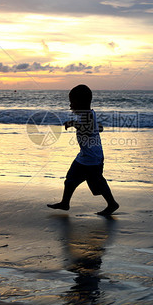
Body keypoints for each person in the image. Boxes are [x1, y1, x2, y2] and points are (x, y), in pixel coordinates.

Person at [47, 84, 119, 216]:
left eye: (72, 102)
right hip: (85, 156)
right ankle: (65, 203)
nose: (70, 106)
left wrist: (72, 124)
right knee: (70, 179)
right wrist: (96, 128)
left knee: (97, 182)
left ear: (81, 102)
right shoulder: (88, 114)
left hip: (92, 158)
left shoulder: (88, 116)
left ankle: (112, 203)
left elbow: (86, 130)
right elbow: (97, 127)